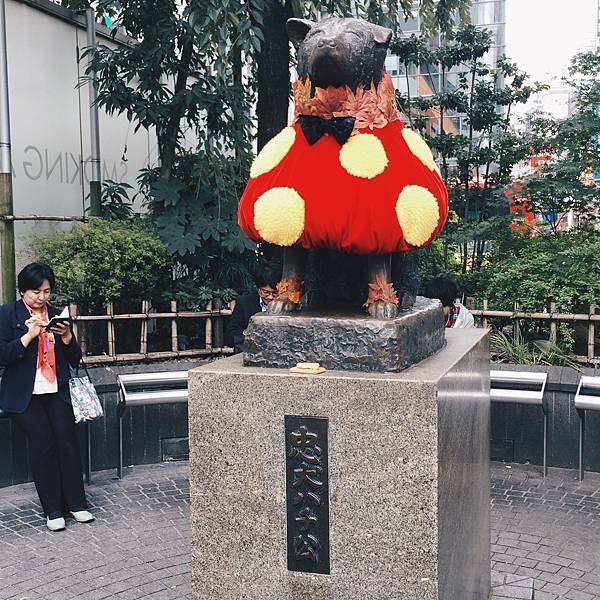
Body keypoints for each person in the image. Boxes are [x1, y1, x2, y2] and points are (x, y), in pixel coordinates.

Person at [0, 262, 94, 531]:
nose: (41, 297)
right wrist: (28, 336)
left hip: (57, 391)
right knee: (43, 443)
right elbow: (2, 355)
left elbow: (74, 359)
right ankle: (53, 510)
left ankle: (77, 504)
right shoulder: (7, 314)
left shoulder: (57, 315)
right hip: (23, 395)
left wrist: (67, 337)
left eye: (47, 291)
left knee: (67, 441)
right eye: (36, 292)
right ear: (22, 291)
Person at [224, 269, 280, 353]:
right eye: (266, 292)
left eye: (275, 293)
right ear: (258, 289)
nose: (270, 297)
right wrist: (250, 334)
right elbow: (231, 333)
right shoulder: (244, 302)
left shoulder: (288, 303)